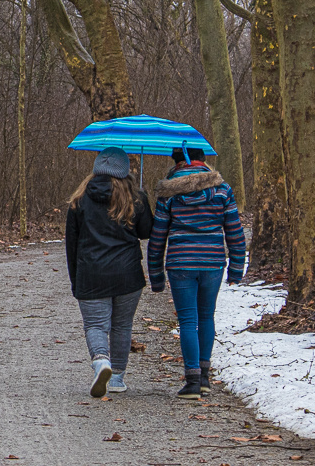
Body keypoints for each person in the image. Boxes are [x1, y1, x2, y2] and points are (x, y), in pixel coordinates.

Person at [147, 147, 246, 400]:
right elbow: (234, 230)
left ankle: (192, 381)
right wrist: (236, 266)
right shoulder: (222, 189)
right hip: (213, 262)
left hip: (181, 263)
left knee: (188, 321)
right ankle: (204, 378)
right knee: (206, 317)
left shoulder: (169, 193)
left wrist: (156, 275)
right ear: (203, 161)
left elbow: (158, 237)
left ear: (177, 163)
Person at [65, 147, 153, 398]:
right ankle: (116, 378)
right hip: (128, 275)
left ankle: (101, 361)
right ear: (124, 171)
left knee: (95, 325)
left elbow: (71, 244)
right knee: (122, 326)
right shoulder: (135, 198)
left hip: (92, 273)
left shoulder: (79, 200)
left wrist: (76, 281)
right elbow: (146, 232)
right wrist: (144, 202)